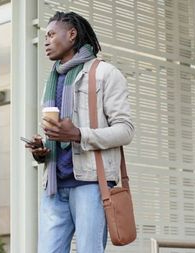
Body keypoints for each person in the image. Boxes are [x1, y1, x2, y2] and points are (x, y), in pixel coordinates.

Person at [25, 11, 135, 253]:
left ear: (72, 35)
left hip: (91, 184)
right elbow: (58, 132)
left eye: (52, 34)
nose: (46, 41)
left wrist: (78, 135)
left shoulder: (105, 73)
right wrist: (41, 150)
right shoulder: (52, 80)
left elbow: (126, 131)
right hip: (54, 184)